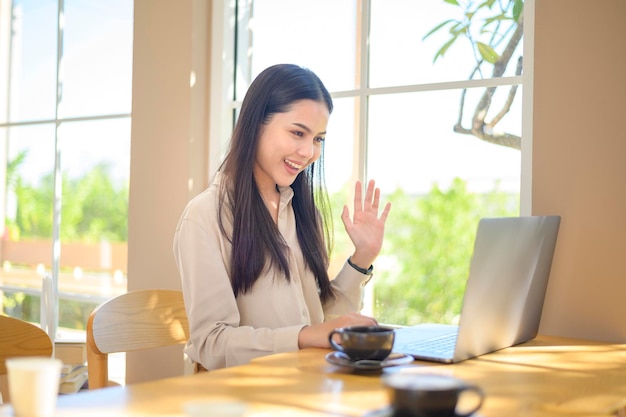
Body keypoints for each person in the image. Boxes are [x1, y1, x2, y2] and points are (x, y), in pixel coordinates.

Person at [173, 63, 391, 371]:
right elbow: (212, 343)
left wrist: (363, 257)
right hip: (239, 398)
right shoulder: (204, 217)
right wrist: (304, 336)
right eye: (298, 133)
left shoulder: (300, 211)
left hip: (304, 382)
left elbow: (322, 322)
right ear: (256, 123)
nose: (308, 152)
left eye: (318, 139)